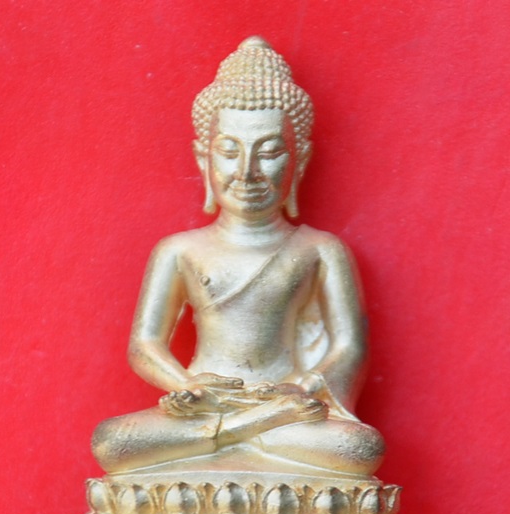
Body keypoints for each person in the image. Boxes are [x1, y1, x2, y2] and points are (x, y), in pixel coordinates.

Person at [92, 37, 385, 476]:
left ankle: (233, 434)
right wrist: (186, 385)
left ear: (299, 160)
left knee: (360, 448)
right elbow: (145, 345)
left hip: (286, 406)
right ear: (203, 158)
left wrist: (301, 388)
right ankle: (242, 429)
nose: (247, 171)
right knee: (112, 441)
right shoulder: (179, 250)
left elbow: (349, 346)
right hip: (206, 403)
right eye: (229, 151)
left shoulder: (320, 250)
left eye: (269, 152)